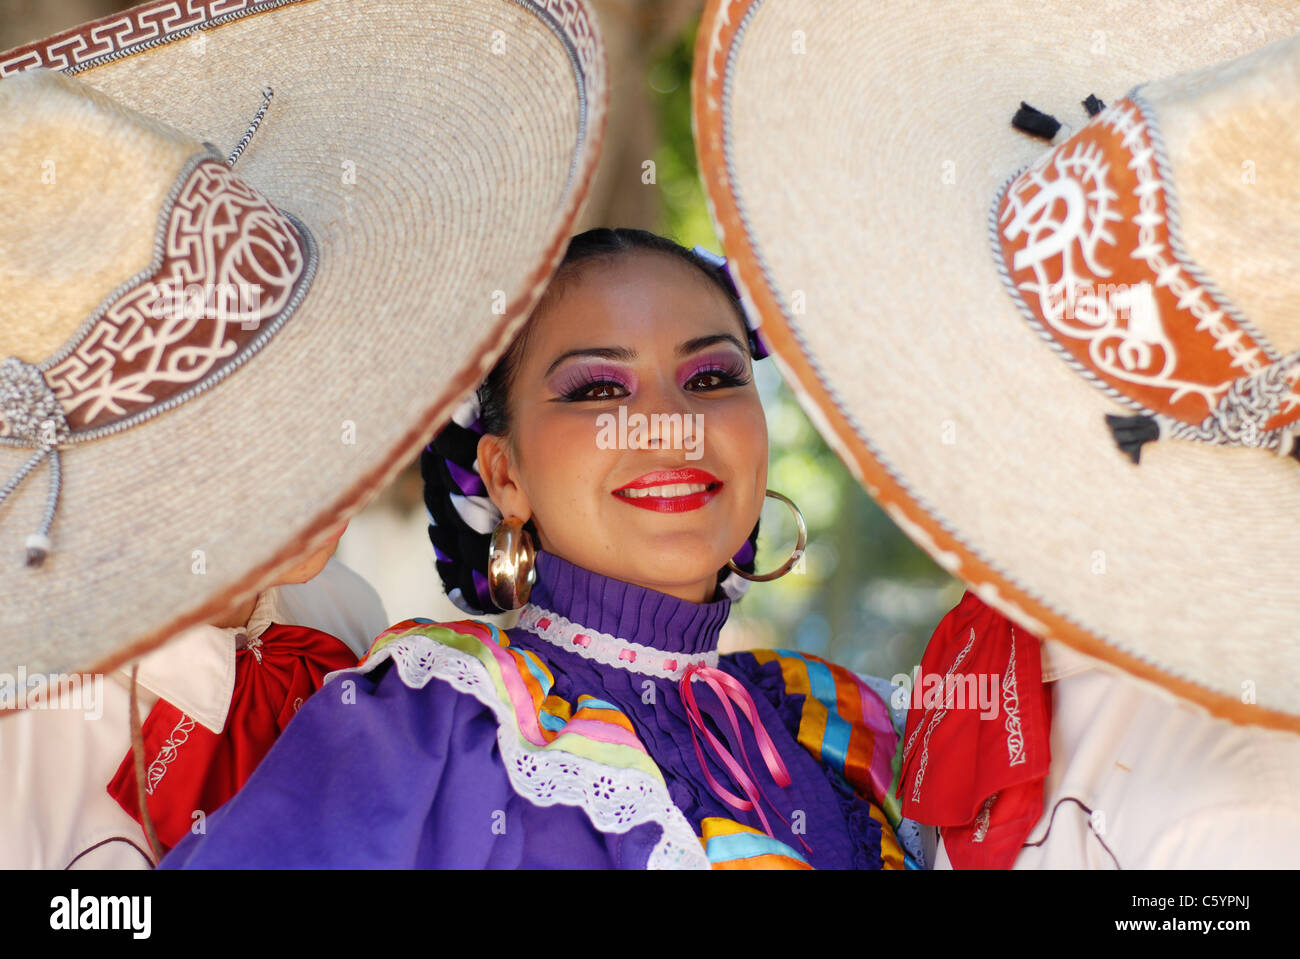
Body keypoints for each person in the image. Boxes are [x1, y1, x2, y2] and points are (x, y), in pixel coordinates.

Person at [162, 228, 930, 869]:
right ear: (505, 475)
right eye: (599, 389)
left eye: (713, 376)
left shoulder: (837, 727)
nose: (667, 423)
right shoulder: (437, 724)